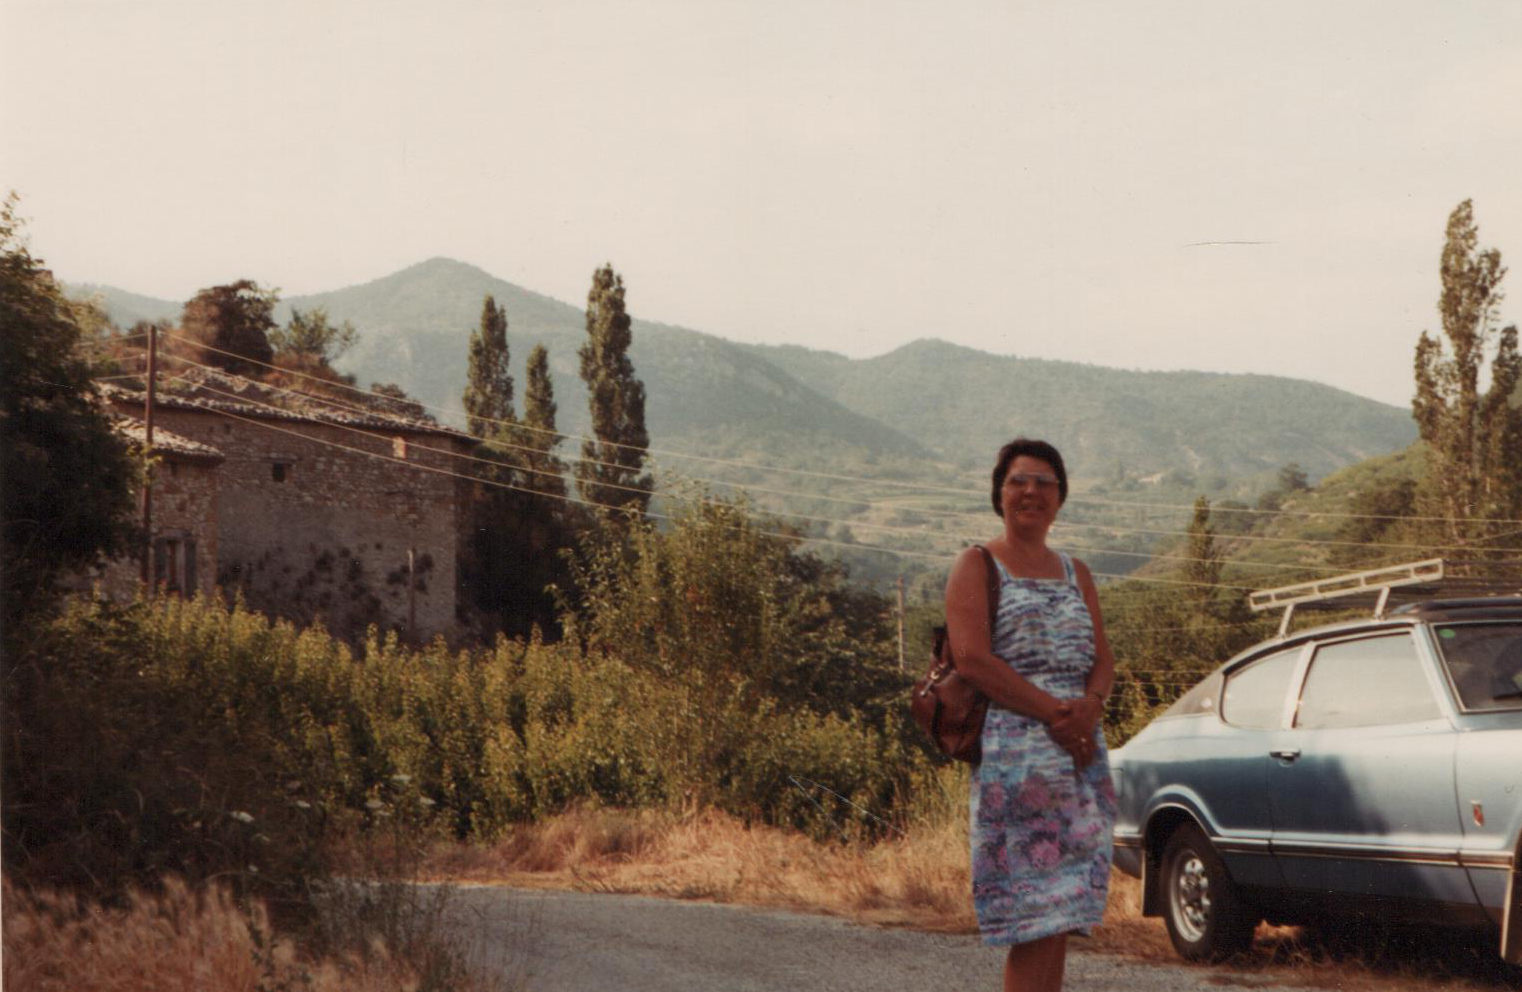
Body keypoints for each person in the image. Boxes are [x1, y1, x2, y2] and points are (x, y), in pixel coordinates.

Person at [944, 438, 1116, 992]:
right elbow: (972, 659)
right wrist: (1058, 716)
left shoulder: (1076, 572)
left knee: (1061, 916)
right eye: (1018, 480)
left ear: (1060, 498)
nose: (1031, 491)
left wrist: (1089, 709)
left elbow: (1103, 660)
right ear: (999, 494)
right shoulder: (976, 564)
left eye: (1045, 482)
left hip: (1078, 760)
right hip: (1017, 762)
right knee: (1033, 919)